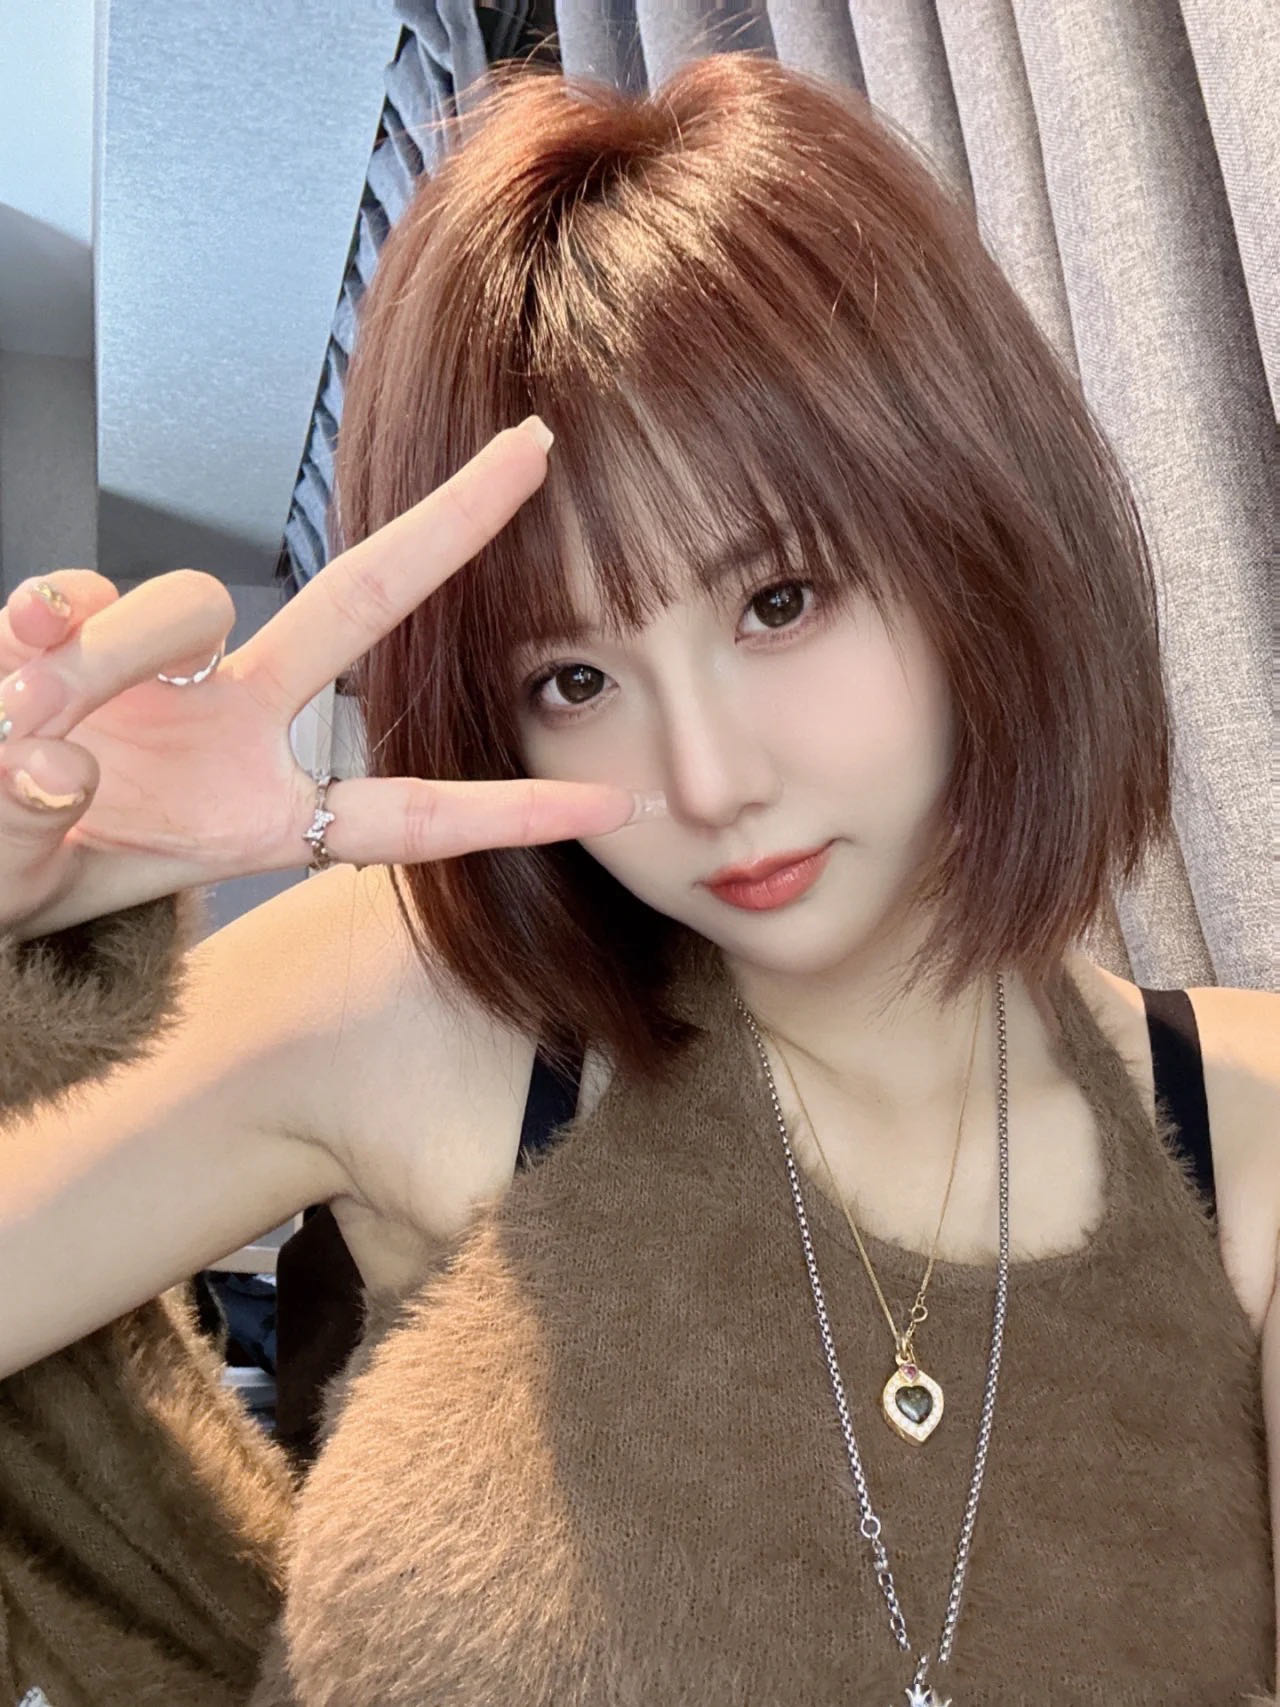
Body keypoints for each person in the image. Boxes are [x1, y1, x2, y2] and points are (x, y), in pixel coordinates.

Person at [1, 50, 1275, 1707]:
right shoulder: (426, 1006)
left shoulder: (1249, 1127)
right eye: (575, 679)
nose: (709, 782)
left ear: (977, 529)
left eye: (780, 603)